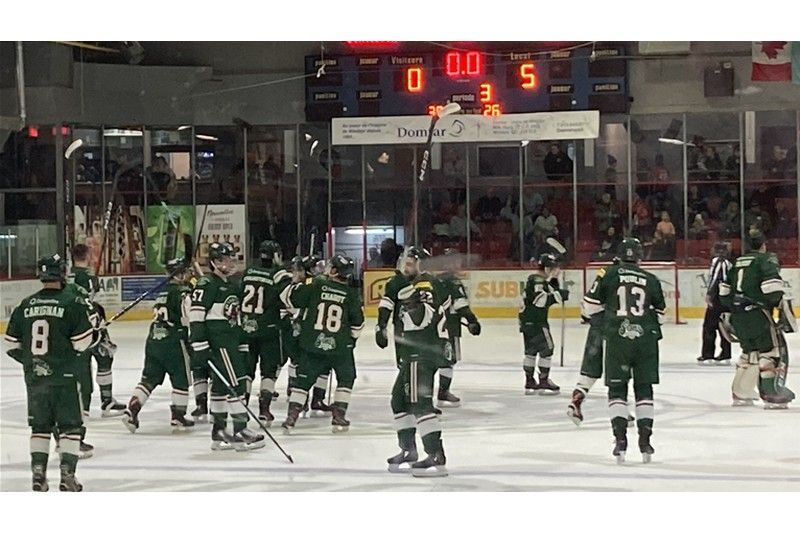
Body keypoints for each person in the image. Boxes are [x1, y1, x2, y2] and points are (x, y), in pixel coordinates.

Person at [4, 254, 94, 491]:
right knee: (71, 428)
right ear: (62, 272)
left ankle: (38, 475)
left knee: (40, 428)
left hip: (35, 378)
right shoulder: (71, 302)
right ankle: (67, 475)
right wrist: (93, 335)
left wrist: (32, 362)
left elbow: (11, 344)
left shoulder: (26, 304)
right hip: (65, 378)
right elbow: (82, 343)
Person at [582, 238, 666, 464]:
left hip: (617, 338)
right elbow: (661, 312)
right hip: (646, 340)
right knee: (644, 389)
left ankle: (620, 441)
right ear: (640, 256)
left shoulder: (608, 273)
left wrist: (608, 321)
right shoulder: (651, 278)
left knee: (617, 389)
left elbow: (589, 306)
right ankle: (645, 441)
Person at [190, 242, 265, 451]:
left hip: (230, 342)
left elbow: (235, 318)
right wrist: (200, 345)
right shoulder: (207, 284)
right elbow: (196, 316)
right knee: (237, 384)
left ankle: (219, 433)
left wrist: (241, 342)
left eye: (231, 258)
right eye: (225, 259)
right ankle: (240, 430)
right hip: (219, 344)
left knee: (221, 388)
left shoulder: (230, 284)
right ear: (214, 262)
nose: (230, 262)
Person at [280, 254, 364, 433]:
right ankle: (339, 416)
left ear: (334, 271)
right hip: (340, 347)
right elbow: (358, 323)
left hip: (312, 344)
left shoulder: (317, 284)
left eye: (329, 266)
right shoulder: (351, 294)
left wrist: (297, 281)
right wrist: (351, 341)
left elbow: (288, 299)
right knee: (346, 378)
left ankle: (291, 417)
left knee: (302, 381)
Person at [386, 248, 452, 477]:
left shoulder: (424, 285)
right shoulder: (421, 283)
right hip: (416, 353)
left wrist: (410, 300)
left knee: (420, 403)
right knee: (399, 400)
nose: (406, 266)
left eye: (411, 262)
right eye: (404, 261)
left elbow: (423, 317)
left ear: (421, 264)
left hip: (421, 352)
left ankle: (436, 455)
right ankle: (408, 450)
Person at [719, 230, 795, 408]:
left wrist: (735, 308)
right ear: (763, 245)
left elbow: (723, 293)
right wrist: (774, 305)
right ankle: (772, 394)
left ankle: (741, 392)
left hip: (738, 315)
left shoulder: (737, 262)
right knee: (770, 352)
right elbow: (772, 290)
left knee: (749, 353)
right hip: (758, 315)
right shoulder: (765, 259)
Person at [121, 257, 195, 433]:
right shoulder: (181, 292)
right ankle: (178, 416)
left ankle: (132, 410)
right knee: (181, 380)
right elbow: (188, 318)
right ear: (181, 273)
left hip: (154, 339)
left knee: (148, 379)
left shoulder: (161, 292)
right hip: (174, 342)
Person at [69, 244, 125, 418]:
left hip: (73, 327)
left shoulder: (66, 275)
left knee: (97, 359)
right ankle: (92, 405)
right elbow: (86, 303)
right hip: (88, 327)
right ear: (87, 256)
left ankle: (95, 404)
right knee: (97, 360)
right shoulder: (87, 277)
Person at [239, 240, 292, 425]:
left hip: (246, 328)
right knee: (268, 372)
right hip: (269, 330)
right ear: (276, 255)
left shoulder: (248, 272)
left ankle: (242, 408)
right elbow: (288, 298)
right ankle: (264, 410)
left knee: (246, 371)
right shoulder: (278, 274)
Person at [280, 254, 332, 416]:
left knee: (314, 363)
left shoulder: (306, 284)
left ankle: (310, 397)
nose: (320, 270)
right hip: (300, 329)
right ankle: (301, 395)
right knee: (301, 361)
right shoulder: (314, 284)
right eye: (317, 267)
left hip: (308, 329)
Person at [436, 249, 481, 407]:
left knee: (432, 360)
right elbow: (460, 304)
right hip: (450, 328)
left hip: (434, 327)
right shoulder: (454, 282)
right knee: (449, 359)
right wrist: (472, 320)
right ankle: (443, 392)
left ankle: (422, 394)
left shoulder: (435, 280)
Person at [519, 253, 569, 395]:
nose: (555, 270)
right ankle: (543, 380)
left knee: (531, 352)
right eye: (553, 268)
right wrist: (559, 296)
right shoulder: (537, 280)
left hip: (527, 322)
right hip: (537, 322)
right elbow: (540, 301)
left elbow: (549, 292)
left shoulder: (537, 280)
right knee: (548, 349)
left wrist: (555, 282)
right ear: (547, 268)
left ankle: (529, 381)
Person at [697, 242, 732, 365]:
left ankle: (708, 354)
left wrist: (710, 294)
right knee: (723, 325)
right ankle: (726, 353)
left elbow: (716, 279)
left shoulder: (718, 261)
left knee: (709, 326)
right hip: (726, 298)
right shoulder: (729, 263)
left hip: (718, 297)